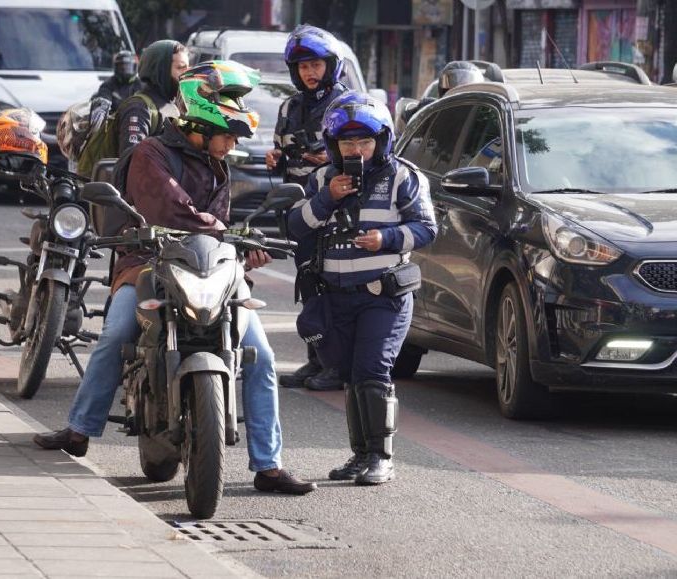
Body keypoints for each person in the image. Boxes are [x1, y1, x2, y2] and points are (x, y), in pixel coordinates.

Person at [35, 60, 317, 496]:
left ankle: (268, 465)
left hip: (210, 269)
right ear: (200, 125)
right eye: (227, 134)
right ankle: (79, 429)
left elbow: (219, 227)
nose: (230, 144)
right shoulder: (151, 153)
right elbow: (172, 208)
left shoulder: (217, 164)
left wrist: (246, 249)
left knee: (259, 354)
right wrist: (220, 231)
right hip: (147, 263)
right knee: (115, 334)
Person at [287, 92, 437, 485]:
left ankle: (381, 457)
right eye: (348, 143)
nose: (358, 150)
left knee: (373, 370)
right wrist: (327, 197)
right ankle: (360, 456)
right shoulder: (321, 179)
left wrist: (385, 239)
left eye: (365, 141)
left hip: (383, 294)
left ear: (382, 141)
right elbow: (295, 226)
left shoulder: (404, 176)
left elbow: (427, 229)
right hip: (335, 296)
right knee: (351, 374)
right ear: (333, 145)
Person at [265, 24, 348, 392]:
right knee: (308, 284)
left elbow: (360, 153)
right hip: (299, 212)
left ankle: (336, 364)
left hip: (334, 210)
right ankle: (316, 359)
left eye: (315, 64)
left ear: (330, 66)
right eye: (302, 67)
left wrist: (326, 158)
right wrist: (276, 158)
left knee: (331, 286)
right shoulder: (289, 106)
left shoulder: (345, 106)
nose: (309, 72)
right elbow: (283, 150)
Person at [114, 40, 189, 155]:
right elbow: (131, 163)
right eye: (180, 68)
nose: (187, 74)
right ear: (160, 71)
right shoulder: (139, 109)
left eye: (187, 68)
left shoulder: (175, 106)